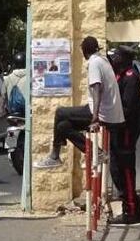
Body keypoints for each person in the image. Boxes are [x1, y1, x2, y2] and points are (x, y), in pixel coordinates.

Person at [35, 36, 125, 169]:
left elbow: (97, 89)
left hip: (102, 113)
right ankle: (97, 153)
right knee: (62, 127)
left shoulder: (94, 63)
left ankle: (54, 155)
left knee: (60, 112)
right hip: (112, 113)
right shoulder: (103, 60)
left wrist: (94, 117)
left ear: (85, 51)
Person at [108, 46, 140, 224]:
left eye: (116, 56)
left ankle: (130, 211)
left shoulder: (131, 78)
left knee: (124, 171)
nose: (113, 58)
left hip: (125, 130)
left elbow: (128, 108)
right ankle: (137, 208)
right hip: (118, 129)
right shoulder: (120, 75)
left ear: (124, 58)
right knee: (116, 169)